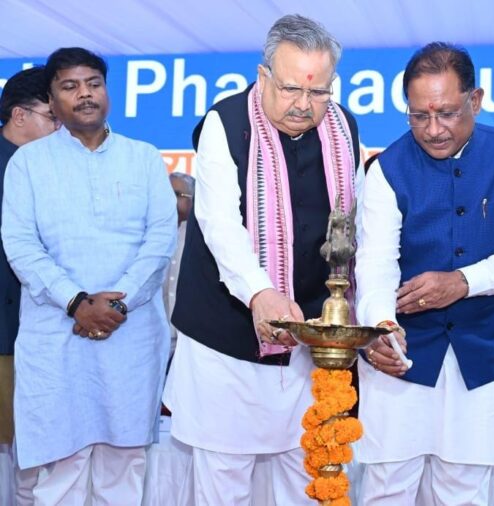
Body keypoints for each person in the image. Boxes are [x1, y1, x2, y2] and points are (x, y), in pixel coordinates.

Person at [163, 15, 361, 505]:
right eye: (291, 88)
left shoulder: (344, 129)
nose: (303, 104)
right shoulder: (225, 122)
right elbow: (219, 224)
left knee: (305, 476)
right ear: (263, 75)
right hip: (225, 338)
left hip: (306, 339)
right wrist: (259, 291)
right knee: (223, 483)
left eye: (318, 92)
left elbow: (352, 229)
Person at [355, 42, 494, 505]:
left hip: (482, 353)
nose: (433, 129)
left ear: (475, 100)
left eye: (446, 113)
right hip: (402, 357)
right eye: (418, 115)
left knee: (464, 492)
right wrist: (381, 325)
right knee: (387, 488)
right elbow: (375, 263)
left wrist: (464, 282)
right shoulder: (386, 169)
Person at [1, 47, 176, 505]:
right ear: (52, 99)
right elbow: (21, 245)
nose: (85, 94)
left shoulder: (143, 158)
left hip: (131, 334)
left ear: (107, 91)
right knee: (60, 471)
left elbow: (159, 241)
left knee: (125, 468)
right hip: (56, 335)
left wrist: (116, 303)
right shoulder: (28, 164)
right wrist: (77, 302)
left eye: (93, 84)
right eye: (70, 86)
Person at [0, 66, 59, 506]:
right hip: (7, 332)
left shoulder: (50, 169)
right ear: (19, 115)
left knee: (33, 450)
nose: (59, 128)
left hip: (38, 329)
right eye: (51, 117)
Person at [163, 172, 195, 355]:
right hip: (155, 334)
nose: (169, 200)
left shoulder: (199, 238)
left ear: (193, 200)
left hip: (188, 338)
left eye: (177, 194)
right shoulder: (149, 234)